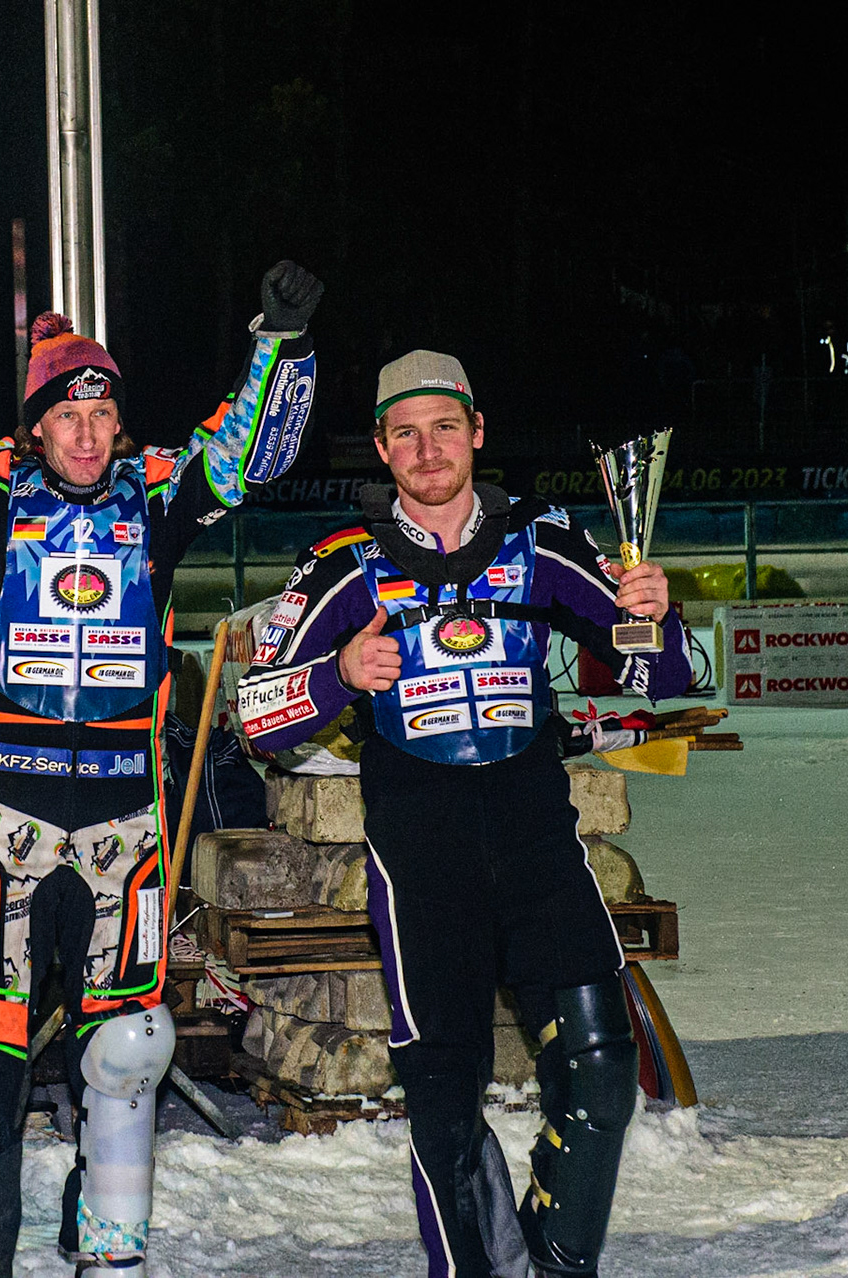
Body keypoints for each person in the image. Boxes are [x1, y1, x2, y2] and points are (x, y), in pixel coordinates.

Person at [0, 200, 321, 1278]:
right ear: (39, 423)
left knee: (127, 1055)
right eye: (69, 414)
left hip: (121, 837)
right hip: (2, 835)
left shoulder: (153, 502)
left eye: (104, 413)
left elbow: (246, 457)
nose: (90, 432)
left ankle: (109, 1252)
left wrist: (280, 346)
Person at [236, 351, 691, 1278]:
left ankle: (554, 1264)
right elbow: (256, 717)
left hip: (535, 847)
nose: (427, 447)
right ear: (381, 448)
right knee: (444, 1097)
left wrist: (656, 614)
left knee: (601, 1074)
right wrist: (338, 676)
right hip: (422, 864)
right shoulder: (342, 566)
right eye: (405, 432)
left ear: (478, 434)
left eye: (445, 426)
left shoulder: (543, 542)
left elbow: (664, 678)